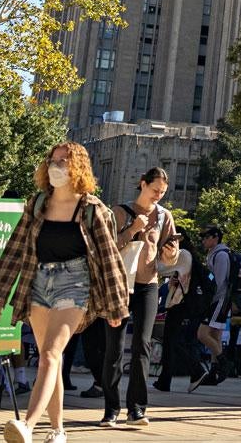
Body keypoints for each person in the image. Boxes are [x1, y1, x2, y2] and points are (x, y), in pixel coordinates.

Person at [0, 143, 130, 443]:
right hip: (38, 282)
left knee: (50, 354)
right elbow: (14, 251)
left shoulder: (92, 209)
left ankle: (28, 424)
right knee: (51, 358)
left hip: (75, 283)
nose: (57, 166)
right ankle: (58, 430)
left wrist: (117, 307)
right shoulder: (37, 204)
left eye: (64, 161)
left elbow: (109, 258)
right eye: (53, 160)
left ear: (77, 168)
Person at [102, 166, 176, 427]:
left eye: (163, 192)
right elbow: (108, 248)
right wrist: (133, 228)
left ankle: (137, 409)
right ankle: (111, 409)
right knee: (113, 347)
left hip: (148, 284)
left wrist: (170, 253)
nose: (158, 196)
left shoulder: (164, 216)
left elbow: (170, 255)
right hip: (121, 285)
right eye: (155, 190)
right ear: (142, 184)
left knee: (142, 345)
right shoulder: (119, 211)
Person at [150, 229, 197, 393]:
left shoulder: (183, 254)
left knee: (173, 342)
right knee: (171, 342)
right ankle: (165, 379)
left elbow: (160, 268)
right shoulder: (188, 254)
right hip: (180, 303)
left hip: (179, 303)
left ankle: (197, 369)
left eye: (172, 239)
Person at [191, 225, 238, 387]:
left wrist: (209, 301)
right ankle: (215, 371)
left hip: (218, 300)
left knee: (202, 334)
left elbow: (219, 282)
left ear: (215, 237)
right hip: (219, 300)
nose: (203, 240)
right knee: (215, 336)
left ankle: (223, 362)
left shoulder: (221, 255)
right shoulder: (214, 253)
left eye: (206, 237)